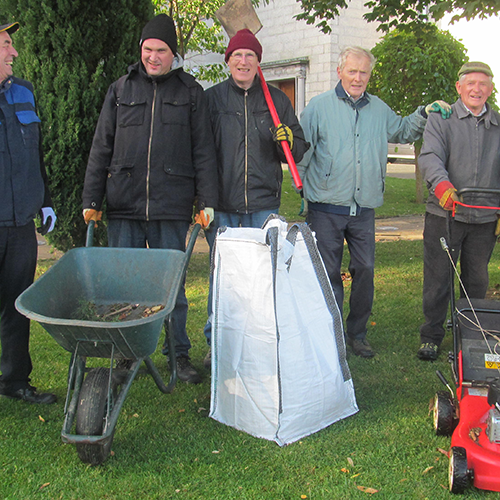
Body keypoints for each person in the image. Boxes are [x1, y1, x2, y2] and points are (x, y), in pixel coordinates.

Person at [82, 14, 217, 383]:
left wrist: (206, 200)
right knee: (125, 286)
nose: (153, 57)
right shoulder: (120, 90)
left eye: (160, 50)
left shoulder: (191, 93)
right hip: (124, 203)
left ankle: (178, 354)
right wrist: (91, 198)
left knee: (170, 286)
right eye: (147, 50)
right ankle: (127, 354)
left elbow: (203, 151)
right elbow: (101, 147)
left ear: (173, 54)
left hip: (171, 207)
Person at [298, 46, 451, 358]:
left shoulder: (378, 109)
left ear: (369, 75)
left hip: (363, 207)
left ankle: (357, 333)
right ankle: (330, 333)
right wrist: (299, 186)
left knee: (365, 269)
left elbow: (402, 129)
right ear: (340, 72)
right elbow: (303, 149)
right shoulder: (318, 107)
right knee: (327, 273)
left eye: (363, 72)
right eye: (352, 71)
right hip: (325, 206)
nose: (358, 78)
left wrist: (425, 112)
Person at [202, 29, 309, 367]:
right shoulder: (212, 99)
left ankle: (259, 344)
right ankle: (216, 343)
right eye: (237, 55)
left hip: (263, 204)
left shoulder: (277, 101)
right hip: (222, 205)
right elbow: (200, 151)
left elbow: (298, 149)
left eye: (250, 56)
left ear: (258, 62)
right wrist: (202, 198)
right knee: (224, 277)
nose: (243, 61)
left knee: (262, 279)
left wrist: (288, 139)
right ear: (228, 61)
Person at [417, 61, 500, 361]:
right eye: (471, 83)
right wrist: (442, 186)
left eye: (483, 84)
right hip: (446, 213)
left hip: (484, 215)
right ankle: (431, 335)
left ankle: (471, 334)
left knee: (476, 279)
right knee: (438, 278)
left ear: (490, 89)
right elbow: (429, 157)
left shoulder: (498, 124)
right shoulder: (442, 120)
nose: (477, 89)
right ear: (459, 87)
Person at [0, 21, 57, 403]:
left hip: (22, 223)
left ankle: (16, 381)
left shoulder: (24, 92)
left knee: (17, 304)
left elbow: (35, 152)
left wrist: (46, 198)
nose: (14, 52)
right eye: (6, 44)